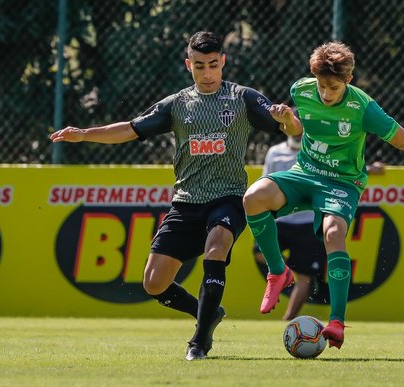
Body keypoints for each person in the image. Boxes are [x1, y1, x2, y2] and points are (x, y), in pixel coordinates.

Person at [49, 31, 302, 360]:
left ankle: (199, 341)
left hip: (227, 198)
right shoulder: (177, 104)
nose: (207, 73)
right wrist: (84, 134)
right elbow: (130, 127)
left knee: (216, 248)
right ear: (189, 65)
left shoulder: (242, 98)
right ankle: (208, 312)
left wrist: (288, 120)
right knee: (153, 283)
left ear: (223, 62)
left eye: (213, 65)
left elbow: (291, 128)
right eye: (200, 66)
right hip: (185, 203)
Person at [242, 41, 404, 349]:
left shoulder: (363, 108)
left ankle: (337, 321)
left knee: (333, 233)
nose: (326, 94)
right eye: (322, 86)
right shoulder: (301, 90)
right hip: (305, 173)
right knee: (253, 197)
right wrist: (288, 121)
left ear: (349, 80)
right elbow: (297, 129)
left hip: (342, 183)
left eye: (334, 87)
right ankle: (279, 273)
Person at [254, 133, 386, 321]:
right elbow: (265, 181)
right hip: (282, 219)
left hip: (307, 220)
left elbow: (340, 168)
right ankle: (283, 270)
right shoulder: (275, 152)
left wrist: (370, 168)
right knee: (259, 252)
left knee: (305, 277)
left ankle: (287, 320)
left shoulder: (317, 149)